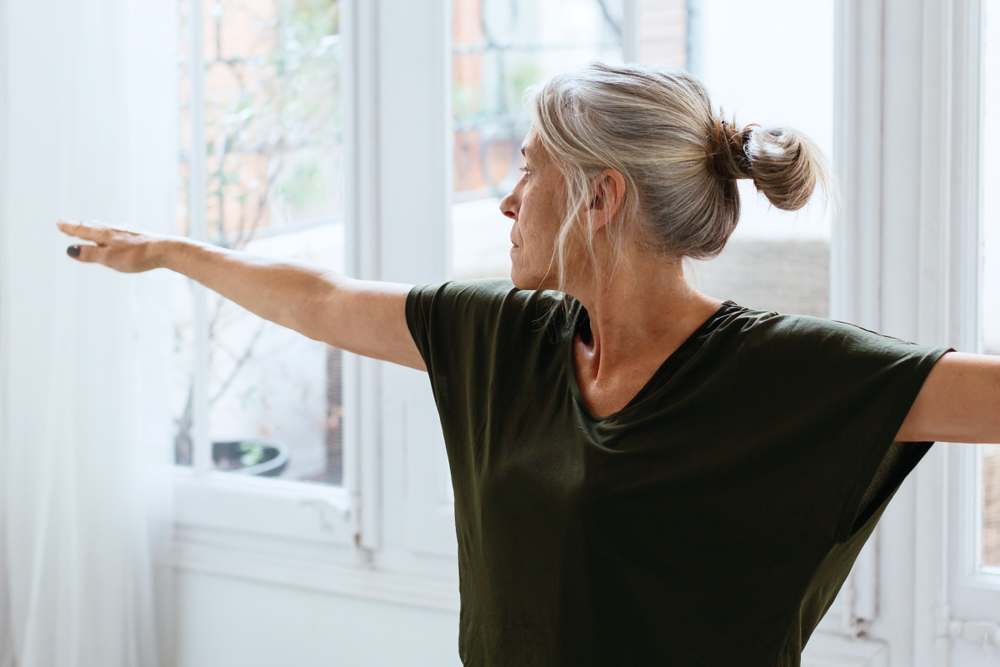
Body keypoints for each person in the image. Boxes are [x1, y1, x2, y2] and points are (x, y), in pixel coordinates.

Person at [56, 62, 1000, 666]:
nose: (508, 203)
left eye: (527, 169)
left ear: (601, 197)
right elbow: (323, 300)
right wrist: (174, 251)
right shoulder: (503, 340)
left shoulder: (783, 374)